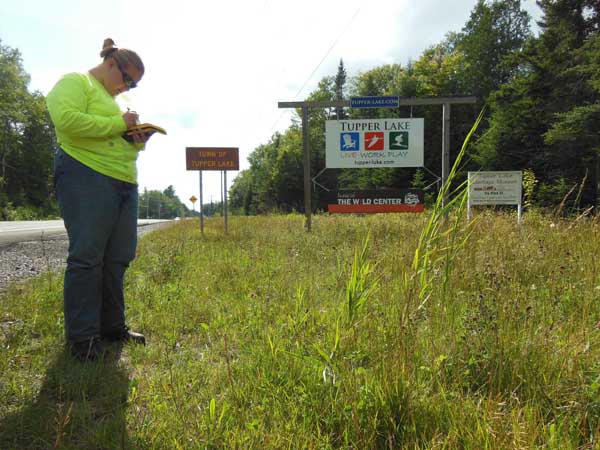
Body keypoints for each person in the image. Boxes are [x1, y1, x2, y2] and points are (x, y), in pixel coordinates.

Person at [47, 38, 148, 361]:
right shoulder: (75, 82)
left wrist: (136, 139)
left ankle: (112, 328)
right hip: (85, 175)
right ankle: (82, 338)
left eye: (133, 84)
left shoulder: (113, 100)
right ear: (110, 64)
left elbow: (109, 134)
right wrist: (119, 124)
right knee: (88, 257)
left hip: (123, 183)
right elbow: (67, 122)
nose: (127, 87)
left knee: (118, 257)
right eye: (127, 79)